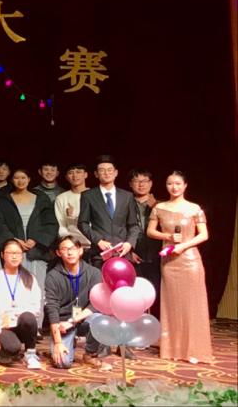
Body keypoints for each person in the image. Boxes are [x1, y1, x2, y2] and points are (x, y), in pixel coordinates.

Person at [147, 171, 214, 364]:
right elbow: (150, 231)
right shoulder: (159, 208)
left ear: (185, 186)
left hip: (190, 260)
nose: (174, 187)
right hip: (169, 261)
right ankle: (173, 349)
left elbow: (204, 235)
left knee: (192, 305)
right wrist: (167, 237)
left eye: (178, 183)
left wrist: (184, 246)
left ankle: (194, 349)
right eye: (170, 183)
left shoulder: (194, 208)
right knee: (172, 304)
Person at [45, 235, 109, 371]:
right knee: (62, 363)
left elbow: (96, 304)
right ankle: (68, 341)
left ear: (80, 251)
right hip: (63, 324)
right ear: (58, 253)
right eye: (64, 249)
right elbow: (52, 309)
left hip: (83, 319)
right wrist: (58, 342)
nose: (69, 252)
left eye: (73, 248)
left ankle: (90, 354)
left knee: (101, 320)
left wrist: (73, 321)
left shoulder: (94, 273)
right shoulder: (52, 276)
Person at [0, 169, 58, 295]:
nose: (20, 181)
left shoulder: (41, 198)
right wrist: (13, 241)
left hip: (36, 248)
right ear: (12, 180)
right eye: (16, 178)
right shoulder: (4, 200)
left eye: (23, 178)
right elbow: (0, 224)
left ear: (29, 179)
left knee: (37, 287)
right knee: (14, 287)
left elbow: (50, 223)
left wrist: (35, 239)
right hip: (14, 248)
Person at [0, 239, 43, 369]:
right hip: (2, 326)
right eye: (10, 253)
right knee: (12, 348)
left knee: (28, 317)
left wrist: (12, 316)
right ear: (2, 255)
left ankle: (30, 353)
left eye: (18, 253)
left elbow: (35, 308)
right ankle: (3, 349)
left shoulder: (29, 278)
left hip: (20, 323)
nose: (14, 256)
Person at [78, 155, 140, 267]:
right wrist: (98, 241)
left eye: (110, 170)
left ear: (116, 173)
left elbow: (134, 225)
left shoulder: (127, 196)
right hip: (99, 253)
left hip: (123, 252)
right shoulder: (88, 196)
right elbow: (82, 223)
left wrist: (129, 243)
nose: (106, 173)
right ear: (96, 174)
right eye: (102, 170)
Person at [129, 168, 161, 316]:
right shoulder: (124, 202)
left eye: (145, 181)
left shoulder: (160, 205)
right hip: (133, 253)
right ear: (130, 184)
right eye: (136, 181)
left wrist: (155, 207)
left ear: (151, 183)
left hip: (156, 254)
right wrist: (130, 251)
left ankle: (155, 323)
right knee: (134, 292)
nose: (141, 184)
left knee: (156, 291)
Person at [54, 163, 91, 249]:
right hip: (73, 246)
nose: (75, 176)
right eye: (70, 173)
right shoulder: (61, 198)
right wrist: (71, 244)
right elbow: (61, 226)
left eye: (78, 172)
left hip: (95, 244)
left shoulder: (95, 195)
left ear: (85, 175)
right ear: (66, 177)